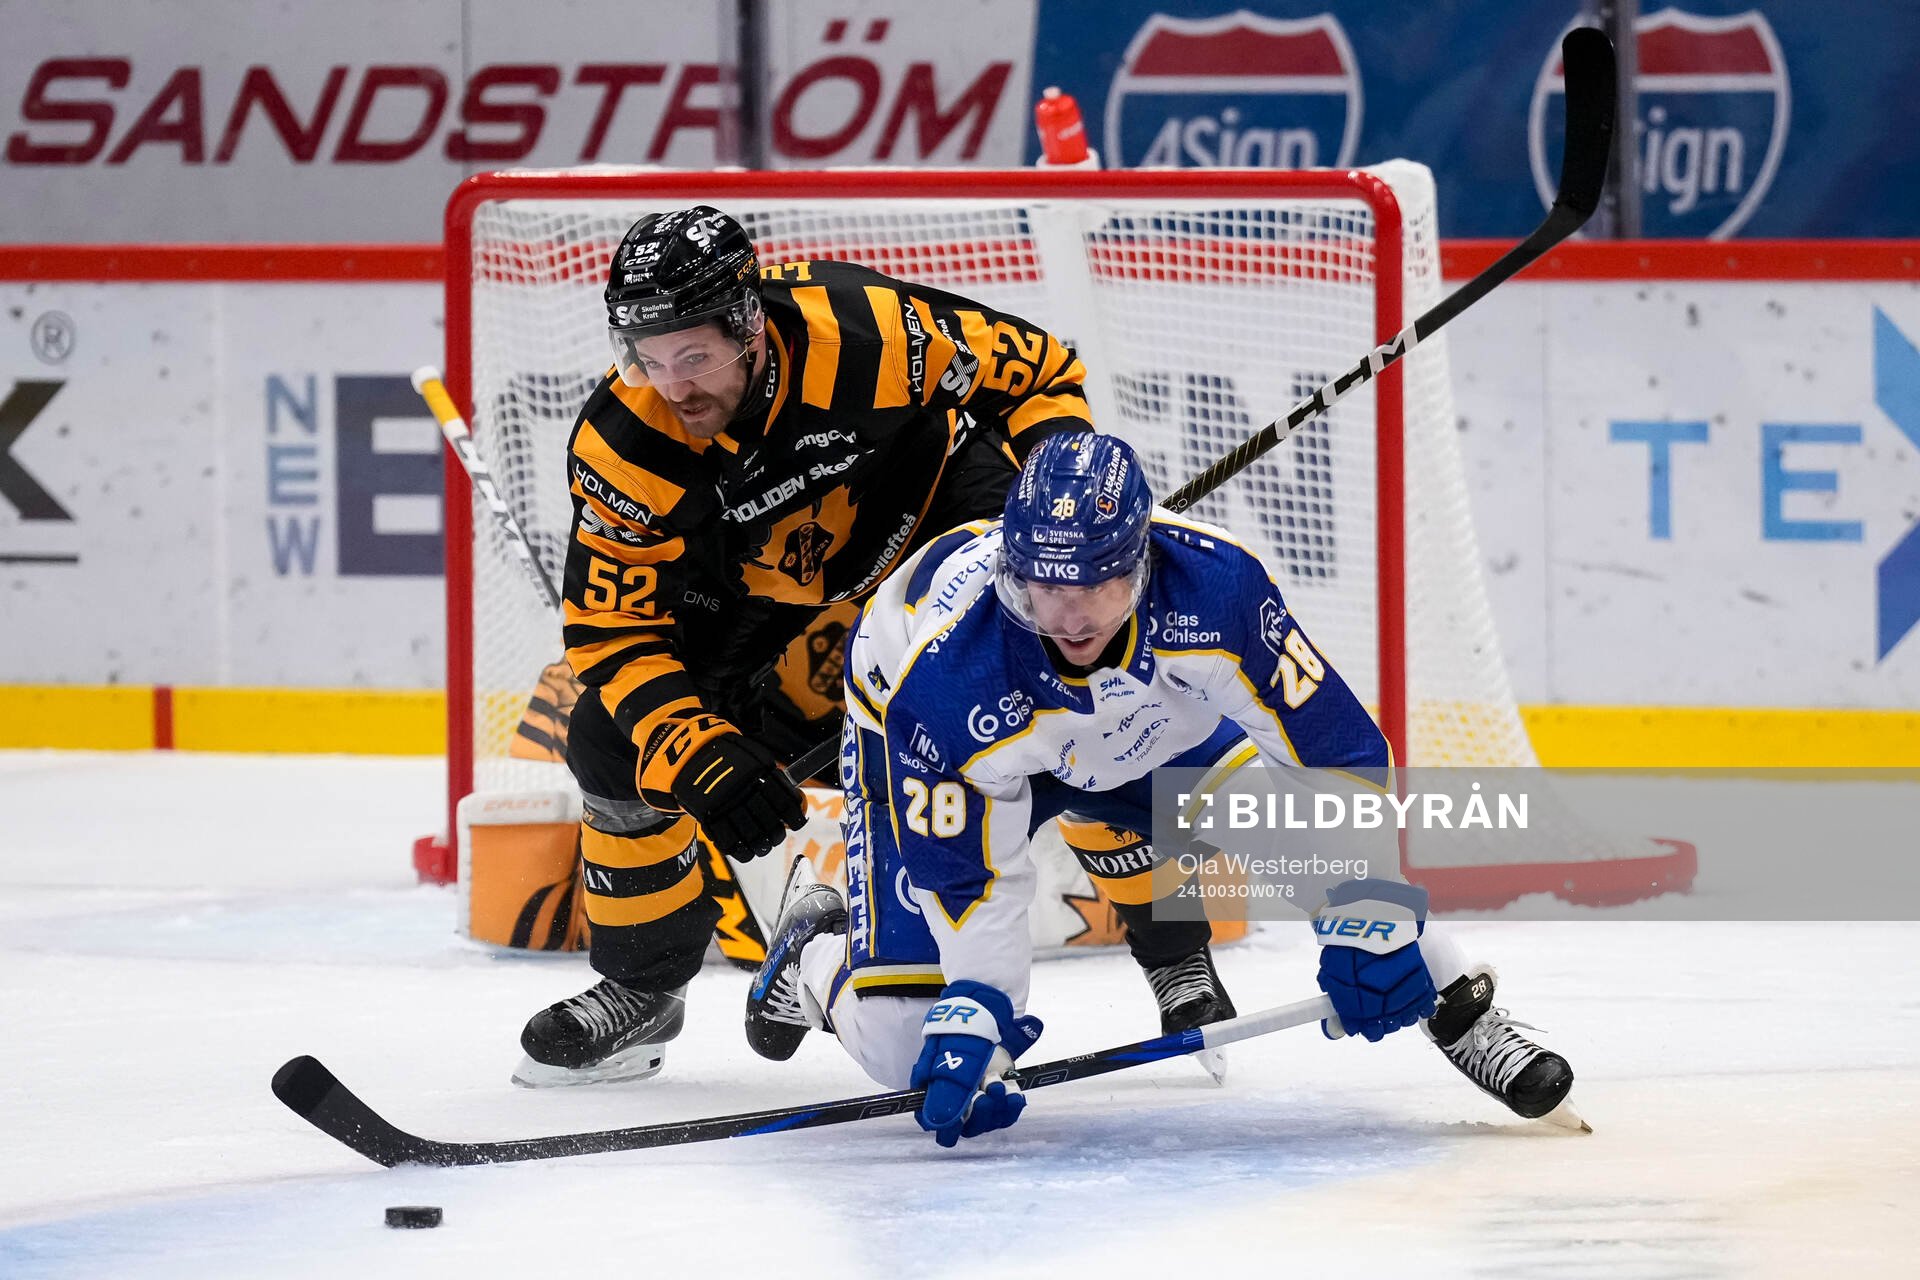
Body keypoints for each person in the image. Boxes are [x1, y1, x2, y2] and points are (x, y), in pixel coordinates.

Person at [745, 433, 1578, 1145]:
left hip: (1152, 737)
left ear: (1139, 564)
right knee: (903, 1053)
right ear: (1015, 569)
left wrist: (1373, 910)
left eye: (1096, 587)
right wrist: (979, 1004)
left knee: (1349, 880)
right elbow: (971, 872)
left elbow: (1333, 752)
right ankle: (817, 953)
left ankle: (1464, 1014)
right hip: (957, 746)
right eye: (1046, 588)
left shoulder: (1219, 591)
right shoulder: (945, 679)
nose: (1070, 618)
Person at [517, 206, 1186, 1086]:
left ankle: (1176, 951)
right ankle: (643, 990)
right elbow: (613, 629)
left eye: (696, 356)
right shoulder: (627, 443)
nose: (673, 385)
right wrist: (697, 748)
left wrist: (1051, 506)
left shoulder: (868, 334)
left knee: (1074, 683)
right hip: (752, 590)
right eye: (647, 356)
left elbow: (1038, 372)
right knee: (609, 743)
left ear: (750, 324)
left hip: (932, 518)